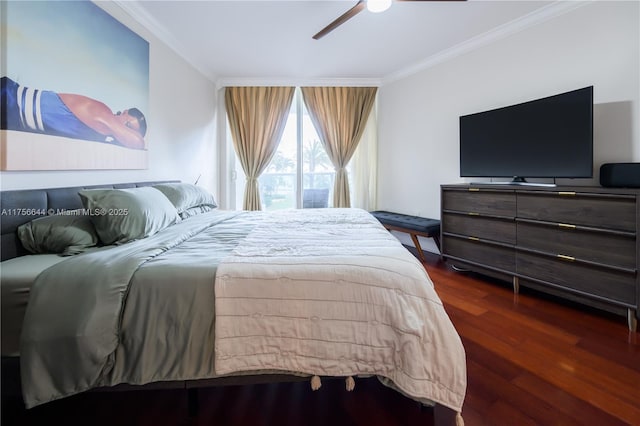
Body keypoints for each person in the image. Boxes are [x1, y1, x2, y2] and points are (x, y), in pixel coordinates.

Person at [1, 76, 147, 150]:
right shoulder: (104, 114)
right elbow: (139, 143)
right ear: (124, 112)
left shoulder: (101, 133)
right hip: (9, 99)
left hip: (12, 114)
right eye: (127, 124)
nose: (125, 130)